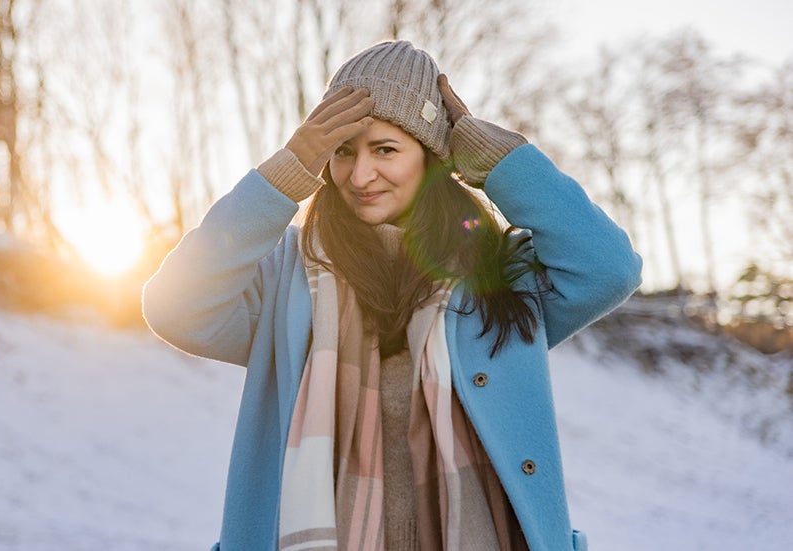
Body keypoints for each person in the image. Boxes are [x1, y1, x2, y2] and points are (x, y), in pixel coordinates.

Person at [143, 40, 642, 551]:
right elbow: (176, 308)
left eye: (385, 149)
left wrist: (500, 163)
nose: (360, 176)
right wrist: (286, 172)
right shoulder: (286, 276)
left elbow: (609, 268)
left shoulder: (499, 275)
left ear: (429, 158)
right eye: (342, 151)